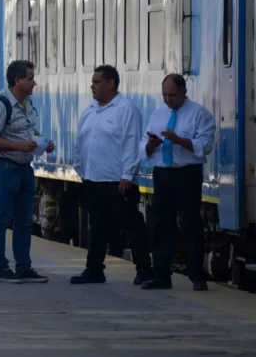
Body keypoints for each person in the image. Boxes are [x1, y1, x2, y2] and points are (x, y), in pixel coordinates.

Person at [70, 65, 153, 285]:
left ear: (110, 83)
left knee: (131, 225)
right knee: (96, 226)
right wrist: (80, 168)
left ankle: (144, 269)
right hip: (93, 178)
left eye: (97, 82)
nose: (92, 86)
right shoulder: (90, 110)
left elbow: (131, 145)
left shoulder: (126, 110)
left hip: (118, 181)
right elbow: (81, 141)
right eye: (92, 82)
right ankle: (94, 269)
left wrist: (127, 175)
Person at [140, 73, 216, 291]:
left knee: (191, 223)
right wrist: (151, 145)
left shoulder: (199, 114)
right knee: (161, 224)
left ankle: (198, 276)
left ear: (184, 92)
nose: (168, 99)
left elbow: (205, 144)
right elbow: (144, 141)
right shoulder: (158, 113)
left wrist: (179, 140)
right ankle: (161, 275)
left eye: (172, 94)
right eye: (164, 94)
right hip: (163, 173)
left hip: (187, 174)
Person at [0, 60, 54, 284]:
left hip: (24, 169)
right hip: (4, 168)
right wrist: (19, 146)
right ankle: (0, 268)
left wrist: (40, 141)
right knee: (1, 219)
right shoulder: (1, 105)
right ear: (17, 81)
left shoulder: (27, 103)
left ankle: (24, 267)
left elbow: (27, 129)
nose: (34, 83)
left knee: (23, 220)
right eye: (30, 78)